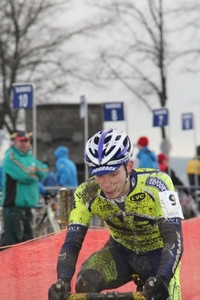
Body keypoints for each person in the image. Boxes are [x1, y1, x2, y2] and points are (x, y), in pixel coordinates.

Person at [49, 128, 184, 300]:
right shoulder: (86, 193)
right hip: (121, 252)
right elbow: (71, 244)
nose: (107, 184)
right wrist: (62, 280)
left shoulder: (158, 184)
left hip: (159, 254)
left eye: (113, 174)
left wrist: (164, 278)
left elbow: (173, 237)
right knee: (85, 282)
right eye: (99, 176)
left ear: (129, 166)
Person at [1, 130, 48, 246]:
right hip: (13, 207)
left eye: (26, 140)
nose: (24, 143)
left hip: (28, 207)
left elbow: (45, 170)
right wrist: (35, 173)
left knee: (28, 243)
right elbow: (26, 176)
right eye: (21, 141)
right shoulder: (10, 156)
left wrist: (34, 171)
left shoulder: (30, 157)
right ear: (15, 141)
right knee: (12, 244)